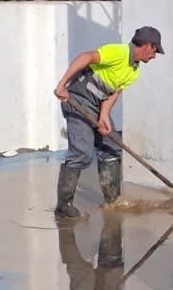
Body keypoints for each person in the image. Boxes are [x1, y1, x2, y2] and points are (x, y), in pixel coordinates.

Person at [52, 26, 165, 219]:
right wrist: (62, 85)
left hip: (97, 106)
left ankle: (112, 201)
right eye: (155, 51)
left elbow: (114, 92)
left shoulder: (134, 71)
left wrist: (104, 115)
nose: (154, 56)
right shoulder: (119, 52)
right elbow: (85, 57)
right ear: (147, 46)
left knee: (112, 147)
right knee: (82, 153)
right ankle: (63, 207)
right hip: (77, 99)